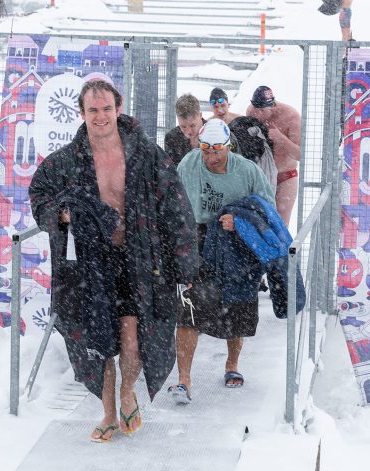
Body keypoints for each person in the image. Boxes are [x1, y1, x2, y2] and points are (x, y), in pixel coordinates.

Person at [29, 80, 198, 442]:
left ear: (118, 109)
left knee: (133, 342)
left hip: (138, 260)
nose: (101, 116)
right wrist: (62, 214)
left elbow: (176, 207)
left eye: (106, 108)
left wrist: (185, 262)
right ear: (82, 113)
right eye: (93, 110)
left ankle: (127, 392)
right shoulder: (66, 161)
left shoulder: (146, 155)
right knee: (99, 344)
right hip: (92, 264)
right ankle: (108, 412)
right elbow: (39, 197)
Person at [169, 119, 275, 402]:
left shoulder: (247, 171)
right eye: (206, 150)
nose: (211, 157)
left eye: (217, 151)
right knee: (189, 307)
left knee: (237, 306)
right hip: (198, 238)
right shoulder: (189, 164)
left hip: (235, 242)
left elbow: (267, 210)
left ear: (228, 147)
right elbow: (172, 203)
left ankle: (232, 364)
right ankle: (183, 380)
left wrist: (240, 221)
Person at [246, 85, 301, 226]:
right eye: (256, 109)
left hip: (285, 175)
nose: (258, 114)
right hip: (261, 176)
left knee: (281, 225)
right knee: (259, 222)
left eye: (262, 110)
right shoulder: (251, 111)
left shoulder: (291, 116)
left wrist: (281, 139)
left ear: (272, 106)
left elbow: (300, 154)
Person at [164, 93, 204, 166]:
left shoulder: (214, 132)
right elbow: (170, 169)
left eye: (192, 125)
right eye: (183, 126)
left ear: (200, 115)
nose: (189, 132)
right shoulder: (171, 138)